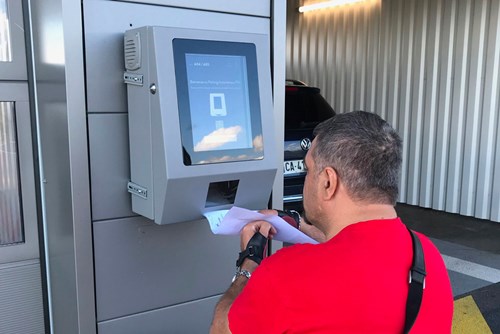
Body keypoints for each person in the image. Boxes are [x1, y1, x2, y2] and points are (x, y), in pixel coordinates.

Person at [210, 111, 453, 333]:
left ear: (328, 182)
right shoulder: (428, 257)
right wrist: (297, 225)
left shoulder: (286, 275)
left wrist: (248, 266)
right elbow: (362, 250)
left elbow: (221, 329)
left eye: (308, 170)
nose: (306, 180)